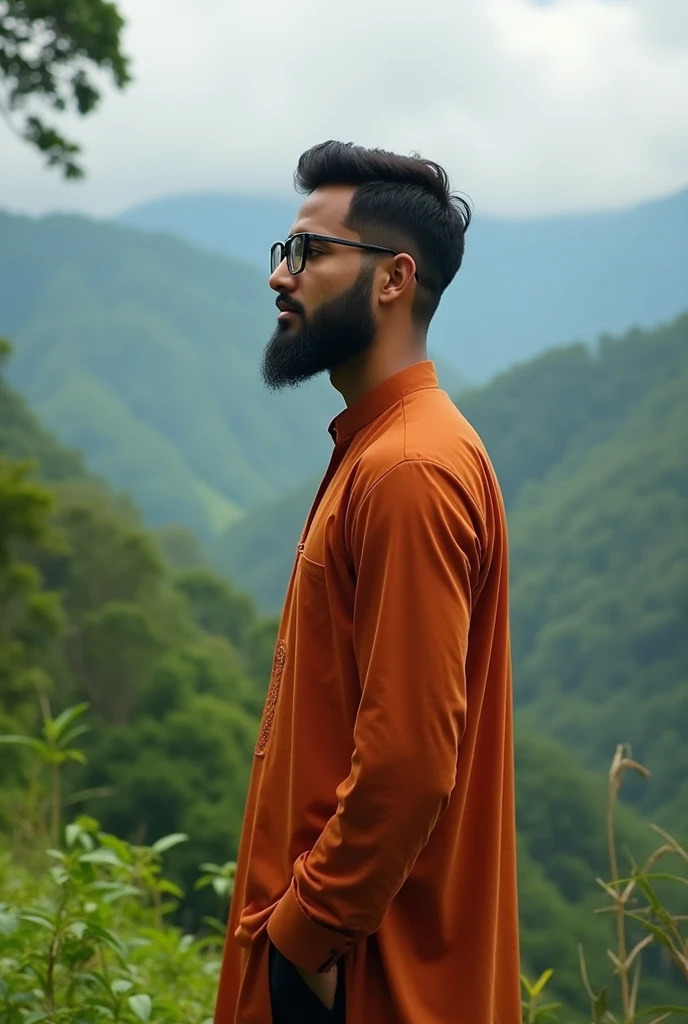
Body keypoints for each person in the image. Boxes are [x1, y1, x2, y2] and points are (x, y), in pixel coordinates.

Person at [214, 141, 520, 1024]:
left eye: (308, 252)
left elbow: (410, 760)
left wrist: (304, 934)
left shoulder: (408, 470)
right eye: (283, 249)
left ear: (392, 280)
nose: (281, 275)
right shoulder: (384, 449)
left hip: (367, 983)